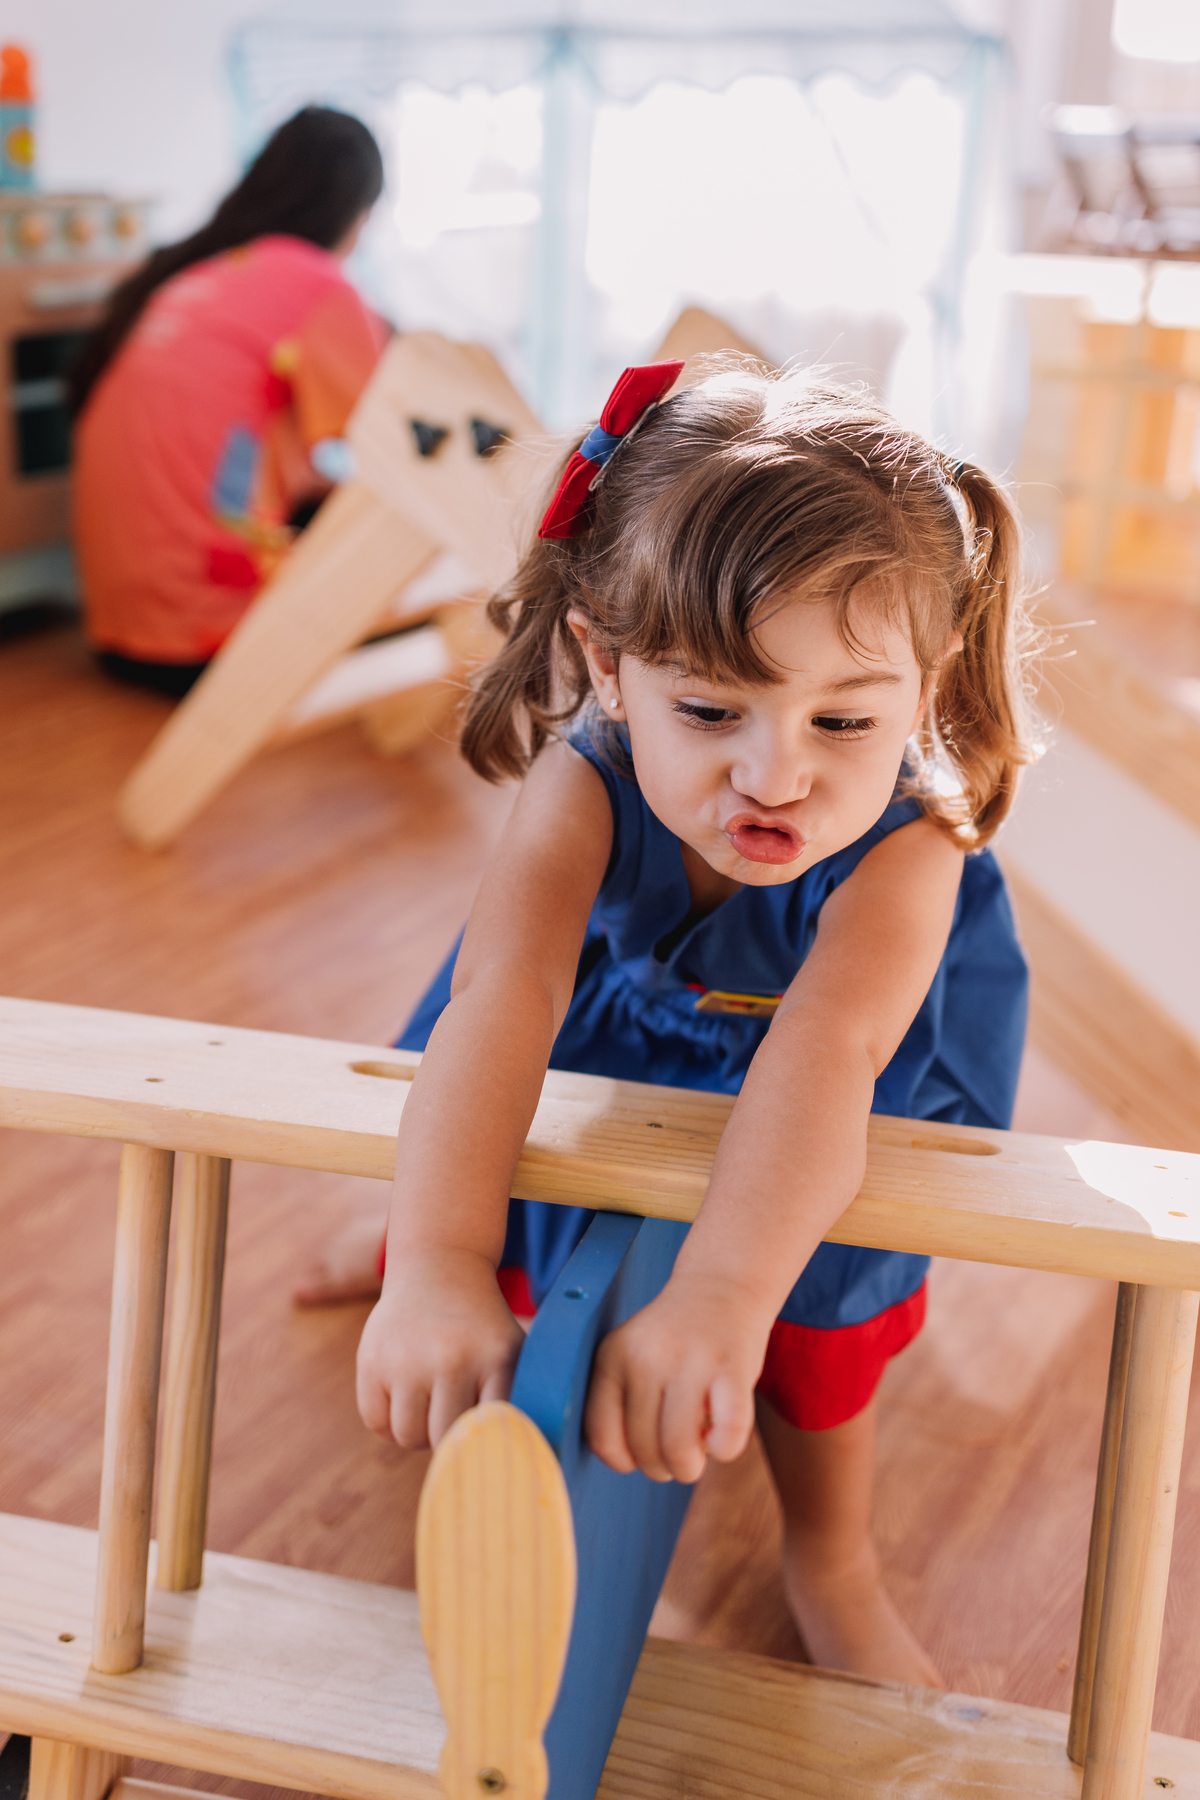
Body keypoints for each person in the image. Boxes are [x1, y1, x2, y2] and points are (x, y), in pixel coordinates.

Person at [353, 357, 1035, 1684]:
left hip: (846, 1069)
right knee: (524, 1218)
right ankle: (396, 1223)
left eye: (845, 718)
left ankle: (829, 1553)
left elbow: (828, 1056)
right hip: (642, 1023)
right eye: (712, 710)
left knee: (819, 1300)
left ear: (928, 685)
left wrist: (726, 1295)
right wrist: (428, 1258)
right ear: (608, 667)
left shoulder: (909, 846)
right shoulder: (586, 785)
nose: (775, 773)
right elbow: (498, 1001)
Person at [70, 106, 387, 697]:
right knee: (393, 519)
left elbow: (231, 444)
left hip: (117, 632)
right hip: (214, 639)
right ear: (356, 212)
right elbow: (398, 443)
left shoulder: (196, 276)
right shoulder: (322, 286)